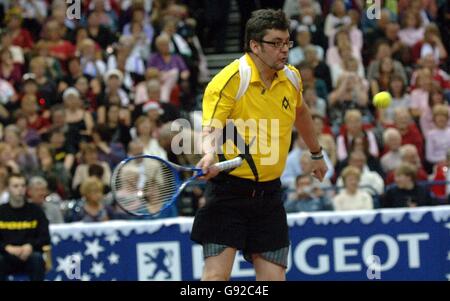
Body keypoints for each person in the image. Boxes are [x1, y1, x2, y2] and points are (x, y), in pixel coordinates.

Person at [191, 9, 327, 281]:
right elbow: (212, 125)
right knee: (216, 277)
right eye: (275, 43)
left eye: (287, 42)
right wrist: (209, 154)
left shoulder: (291, 78)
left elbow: (301, 113)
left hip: (269, 196)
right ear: (255, 45)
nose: (284, 50)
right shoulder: (231, 79)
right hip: (229, 194)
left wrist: (316, 153)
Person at [0, 173, 50, 281]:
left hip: (30, 255)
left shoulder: (36, 211)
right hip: (6, 255)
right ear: (8, 189)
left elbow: (45, 237)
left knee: (37, 258)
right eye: (16, 186)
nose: (20, 189)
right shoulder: (1, 211)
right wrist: (7, 248)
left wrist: (30, 246)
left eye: (23, 186)